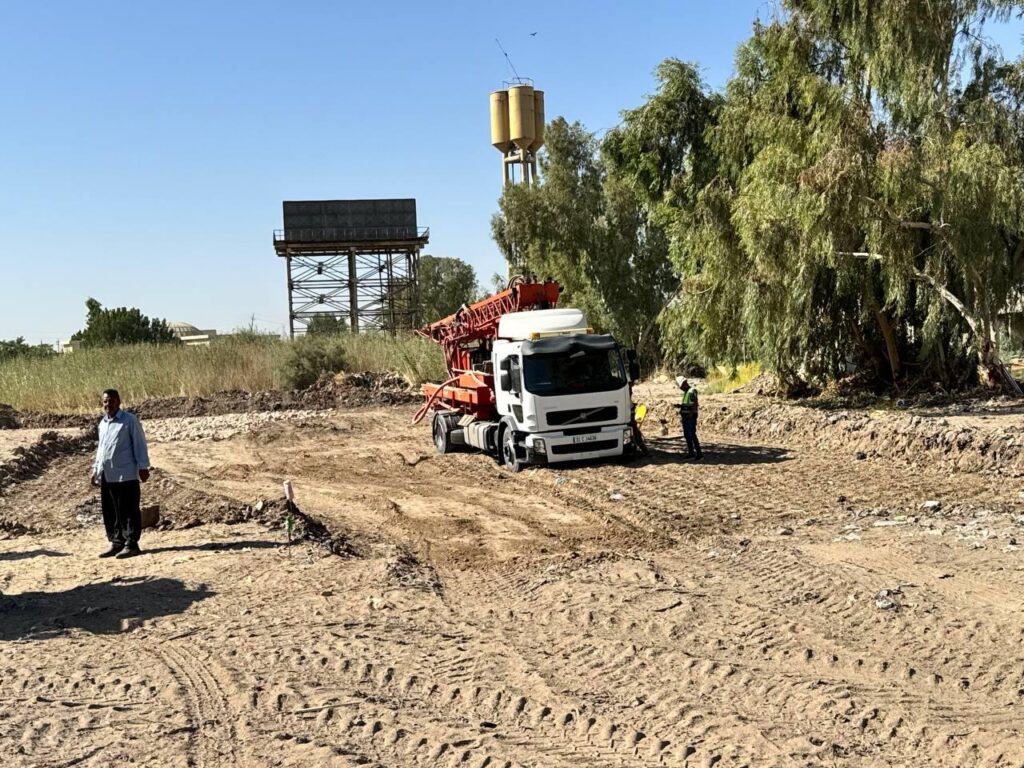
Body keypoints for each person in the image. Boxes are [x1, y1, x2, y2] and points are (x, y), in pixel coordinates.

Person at [89, 389, 151, 559]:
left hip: (126, 473)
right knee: (111, 510)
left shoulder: (129, 420)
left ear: (119, 402)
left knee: (128, 509)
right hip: (108, 474)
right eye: (105, 401)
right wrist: (95, 469)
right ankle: (117, 542)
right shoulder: (103, 424)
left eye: (111, 401)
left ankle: (131, 544)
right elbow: (101, 449)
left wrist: (143, 466)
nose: (108, 404)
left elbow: (139, 443)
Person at [677, 376, 703, 460]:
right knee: (687, 435)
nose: (680, 388)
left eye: (681, 386)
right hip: (685, 417)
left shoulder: (692, 391)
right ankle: (691, 452)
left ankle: (699, 453)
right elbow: (687, 404)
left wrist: (691, 414)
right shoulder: (686, 392)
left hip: (690, 417)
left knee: (692, 434)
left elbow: (695, 403)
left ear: (684, 383)